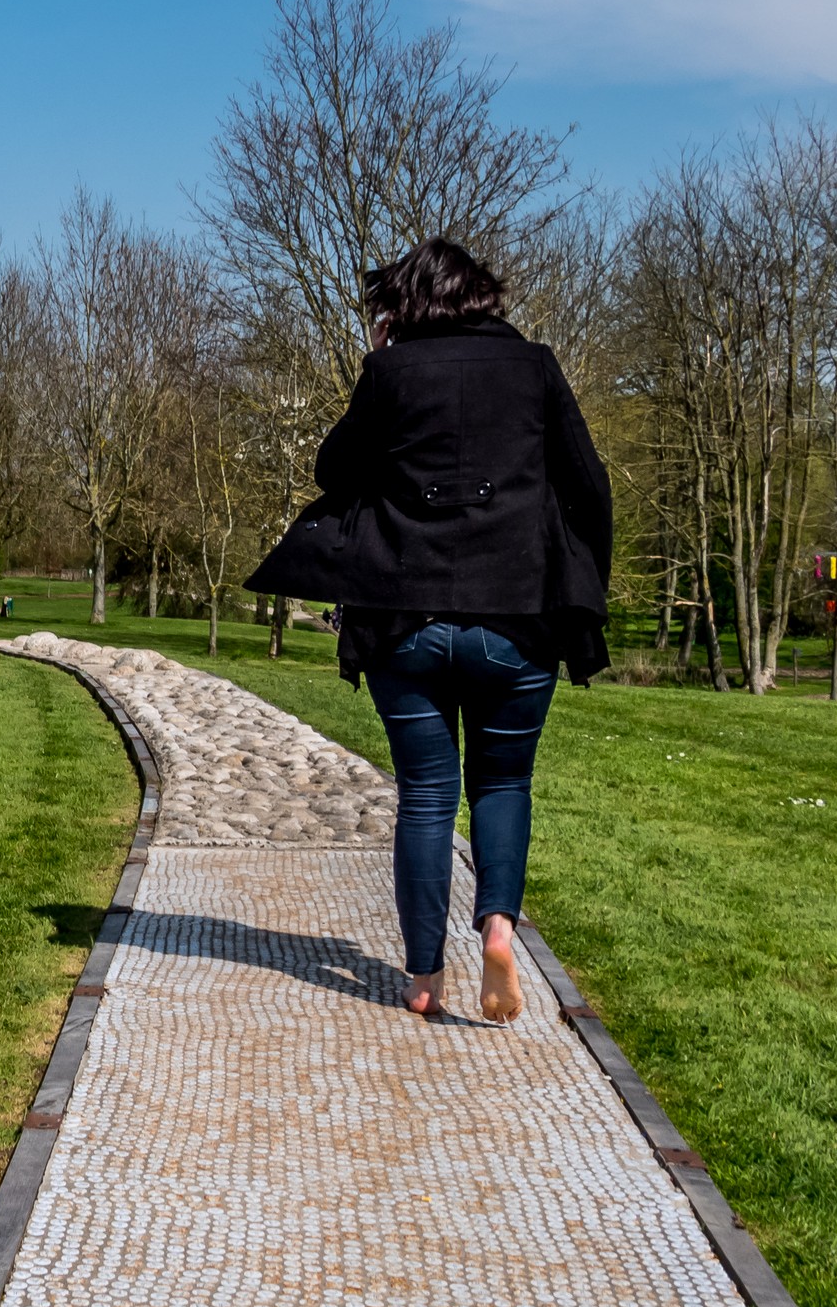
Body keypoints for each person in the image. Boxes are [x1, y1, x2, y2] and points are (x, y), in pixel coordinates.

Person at [248, 236, 611, 1025]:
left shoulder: (390, 374)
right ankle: (499, 929)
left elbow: (333, 472)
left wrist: (378, 363)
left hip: (405, 622)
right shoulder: (535, 367)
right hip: (518, 620)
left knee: (426, 794)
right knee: (503, 783)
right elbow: (589, 484)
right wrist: (582, 589)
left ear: (404, 306)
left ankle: (423, 977)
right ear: (482, 295)